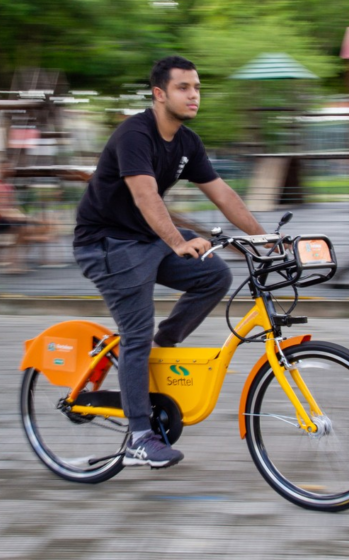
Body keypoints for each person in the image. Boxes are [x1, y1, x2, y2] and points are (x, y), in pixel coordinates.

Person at [73, 56, 267, 469]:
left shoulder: (187, 142)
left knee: (214, 274)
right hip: (107, 244)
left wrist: (263, 238)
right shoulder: (135, 134)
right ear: (159, 94)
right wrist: (178, 241)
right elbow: (146, 196)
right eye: (183, 87)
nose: (194, 94)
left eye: (197, 87)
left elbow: (222, 193)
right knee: (135, 332)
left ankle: (163, 345)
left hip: (144, 242)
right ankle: (139, 437)